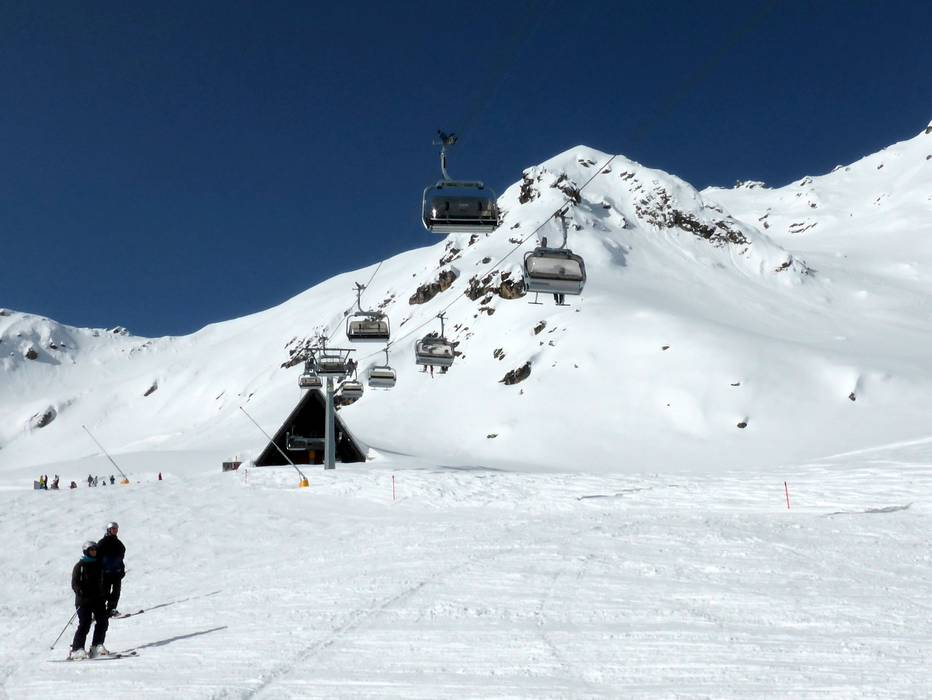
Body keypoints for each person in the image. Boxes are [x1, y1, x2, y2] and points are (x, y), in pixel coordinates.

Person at [69, 541, 110, 659]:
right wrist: (81, 592)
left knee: (103, 621)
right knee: (85, 623)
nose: (94, 552)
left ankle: (97, 646)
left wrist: (104, 593)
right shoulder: (80, 566)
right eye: (91, 550)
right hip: (84, 600)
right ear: (86, 551)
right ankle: (77, 649)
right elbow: (75, 583)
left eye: (95, 550)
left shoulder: (98, 564)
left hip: (98, 599)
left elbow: (103, 581)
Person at [97, 521, 126, 617]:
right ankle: (99, 611)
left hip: (116, 572)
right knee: (104, 592)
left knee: (116, 592)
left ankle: (111, 609)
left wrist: (121, 569)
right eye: (113, 529)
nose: (115, 530)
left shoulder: (118, 543)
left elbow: (120, 558)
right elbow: (97, 558)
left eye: (116, 529)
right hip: (105, 573)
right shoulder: (102, 543)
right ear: (108, 530)